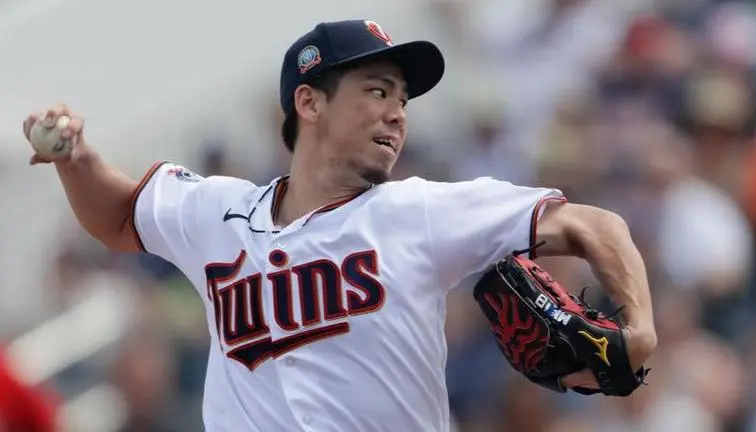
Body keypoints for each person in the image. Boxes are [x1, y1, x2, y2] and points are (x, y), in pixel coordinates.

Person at [22, 19, 656, 432]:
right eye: (378, 91)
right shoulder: (217, 211)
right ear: (309, 102)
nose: (398, 114)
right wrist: (76, 159)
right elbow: (118, 216)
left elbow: (596, 227)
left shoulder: (417, 210)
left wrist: (641, 327)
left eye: (403, 101)